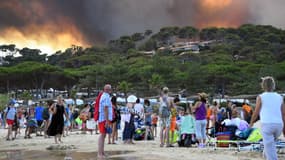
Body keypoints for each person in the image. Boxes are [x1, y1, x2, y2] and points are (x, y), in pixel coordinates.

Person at [250, 76, 285, 160]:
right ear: (273, 85)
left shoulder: (261, 97)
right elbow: (283, 113)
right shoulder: (280, 97)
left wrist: (251, 122)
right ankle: (265, 156)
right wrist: (284, 128)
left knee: (270, 148)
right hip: (278, 125)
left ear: (263, 86)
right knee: (269, 145)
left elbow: (256, 112)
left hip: (267, 124)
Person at [97, 84, 113, 159]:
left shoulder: (104, 96)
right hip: (103, 119)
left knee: (103, 135)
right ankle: (100, 153)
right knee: (102, 135)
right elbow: (105, 109)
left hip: (103, 118)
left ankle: (102, 152)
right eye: (110, 89)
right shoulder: (106, 97)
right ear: (108, 90)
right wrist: (107, 120)